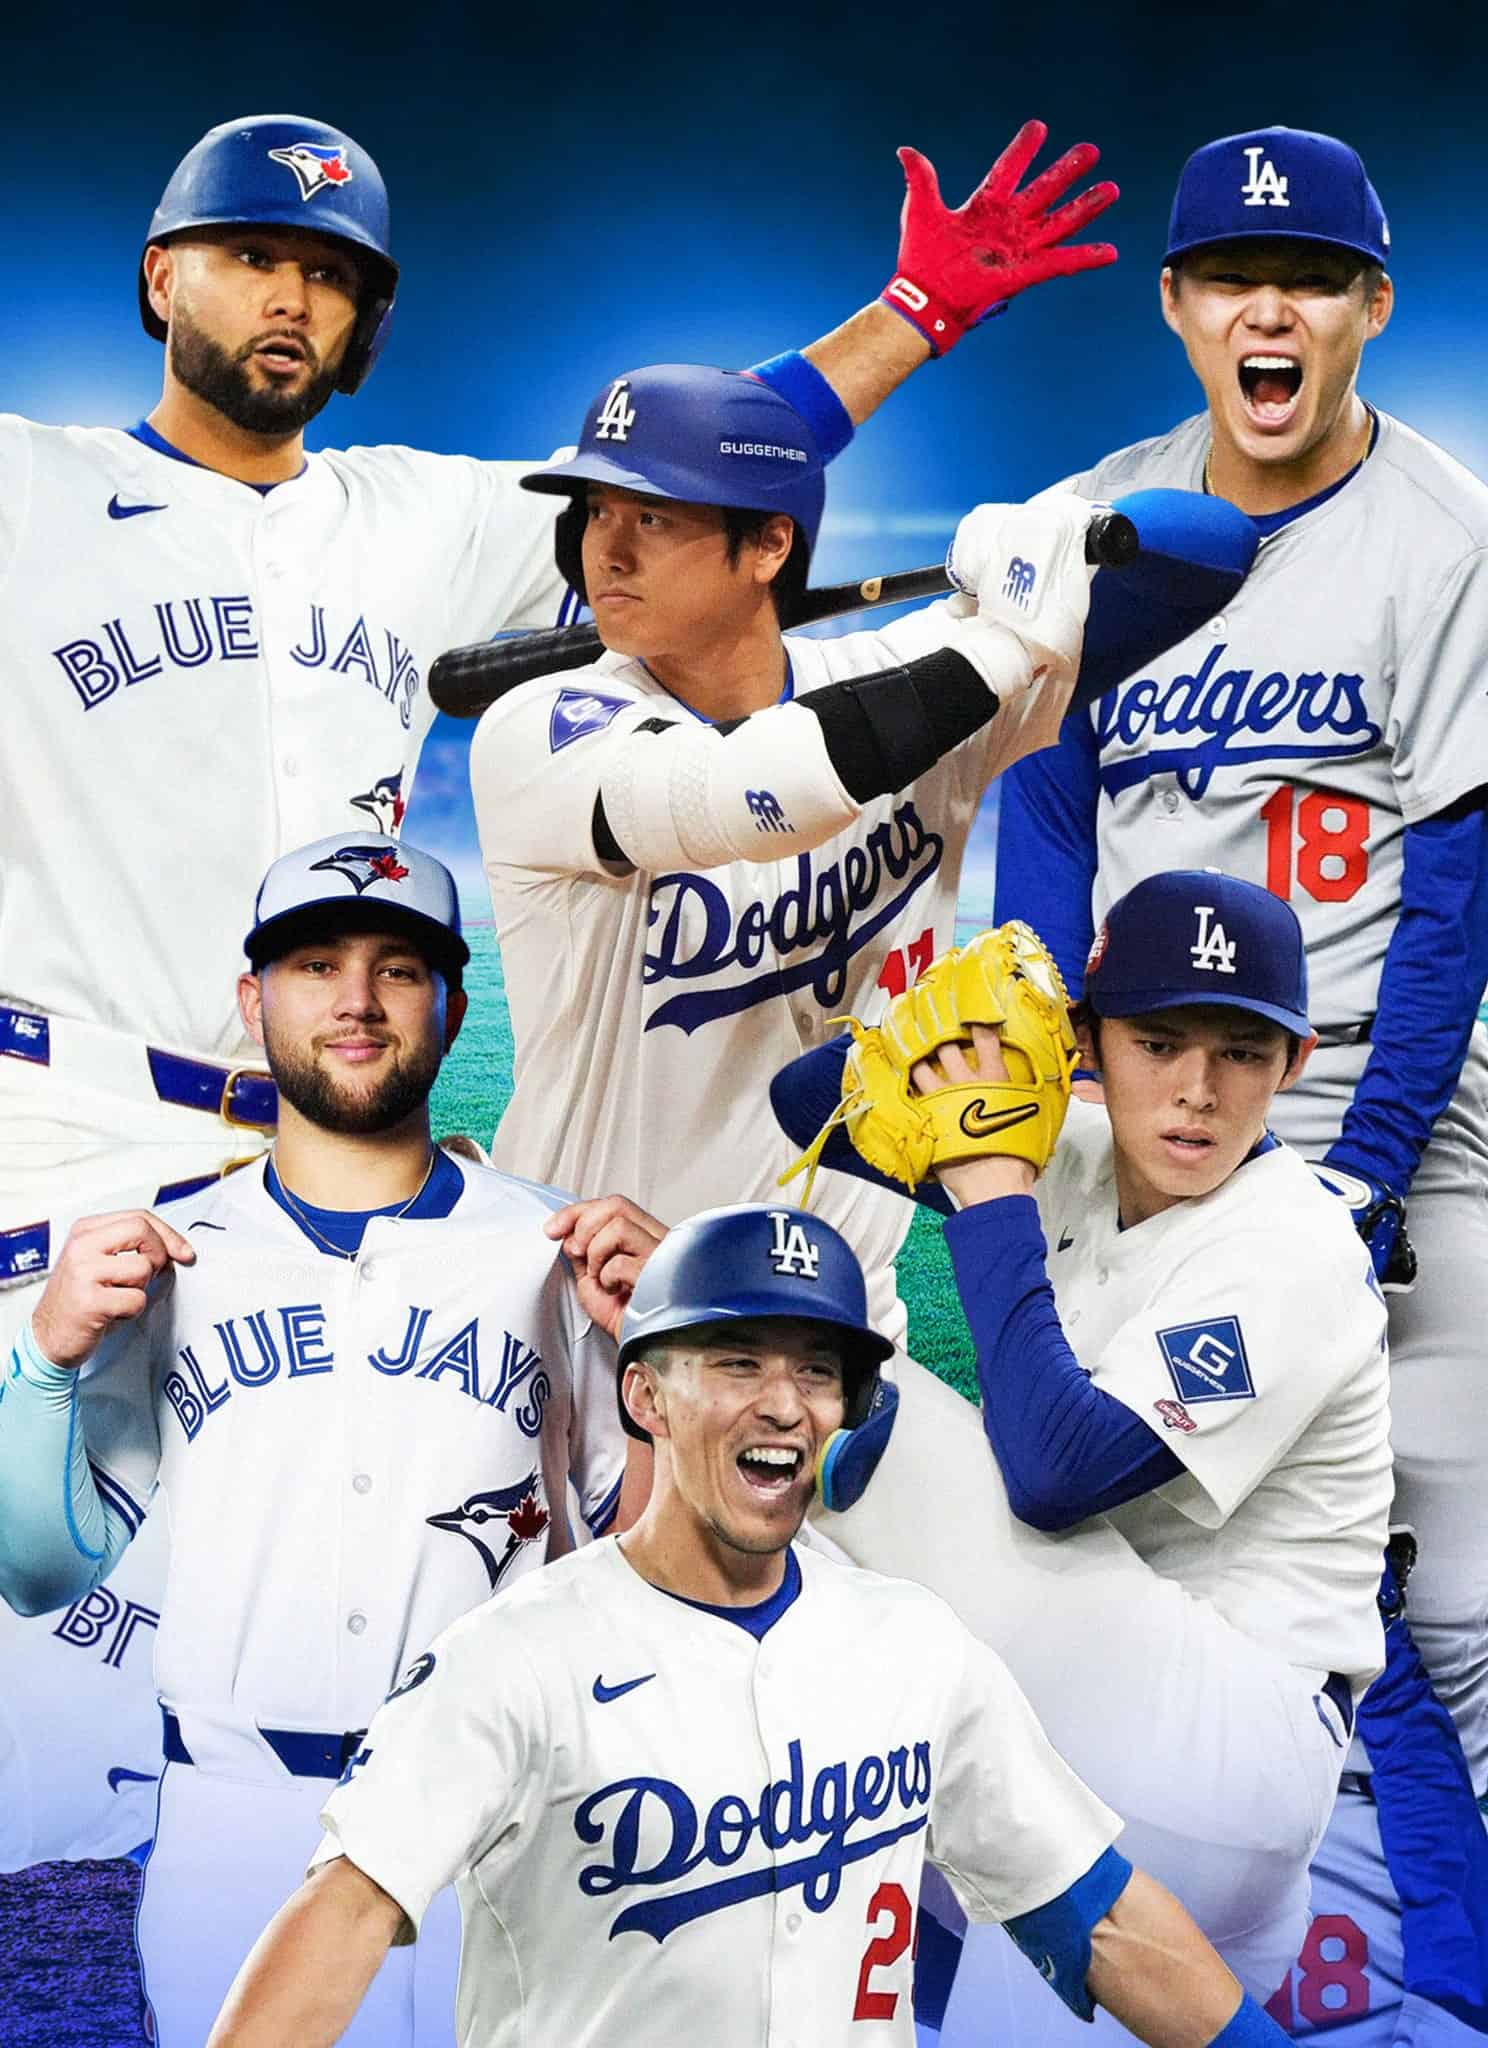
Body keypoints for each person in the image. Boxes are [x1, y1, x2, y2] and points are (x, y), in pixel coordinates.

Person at [0, 106, 1114, 1888]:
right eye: (252, 255)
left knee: (381, 1654)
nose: (290, 295)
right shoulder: (24, 488)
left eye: (330, 273)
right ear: (159, 276)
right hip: (67, 1127)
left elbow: (715, 464)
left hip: (336, 1148)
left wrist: (910, 307)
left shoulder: (427, 521)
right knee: (43, 1695)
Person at [990, 124, 1488, 2031]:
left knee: (1433, 1595)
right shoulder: (1094, 522)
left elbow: (1452, 886)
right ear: (1180, 306)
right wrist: (1049, 1081)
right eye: (1223, 276)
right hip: (1147, 1092)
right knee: (1126, 1541)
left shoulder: (1442, 540)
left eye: (1306, 281)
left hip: (1387, 1093)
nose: (1262, 306)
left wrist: (1359, 1178)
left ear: (1364, 311)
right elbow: (1046, 816)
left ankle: (1444, 1994)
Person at [209, 1202, 1298, 2048]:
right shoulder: (513, 1658)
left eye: (818, 1369)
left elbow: (1096, 1914)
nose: (785, 1401)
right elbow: (344, 1910)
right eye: (738, 1359)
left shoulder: (915, 1646)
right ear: (646, 1395)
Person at [468, 357, 1255, 1363]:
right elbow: (761, 791)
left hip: (834, 1327)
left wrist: (1070, 528)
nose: (602, 551)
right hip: (590, 1302)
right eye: (593, 511)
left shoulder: (912, 681)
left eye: (653, 517)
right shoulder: (542, 730)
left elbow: (1217, 552)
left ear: (769, 544)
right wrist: (1009, 643)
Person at [0, 834, 640, 2048]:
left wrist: (673, 1361)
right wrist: (42, 1358)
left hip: (498, 1815)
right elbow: (36, 1570)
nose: (356, 999)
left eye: (399, 967)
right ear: (255, 1000)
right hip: (237, 1822)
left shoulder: (553, 1251)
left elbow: (645, 1559)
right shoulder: (172, 1255)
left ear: (451, 1004)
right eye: (313, 962)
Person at [722, 871, 1387, 2031]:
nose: (1194, 1090)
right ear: (1089, 1043)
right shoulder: (1076, 1139)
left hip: (1229, 1738)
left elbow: (1055, 1475)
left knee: (811, 1389)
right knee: (890, 1751)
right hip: (1120, 1752)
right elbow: (803, 1101)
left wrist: (986, 1181)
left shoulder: (1293, 1247)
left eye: (1241, 1049)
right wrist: (962, 1035)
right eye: (1159, 1039)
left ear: (1294, 1062)